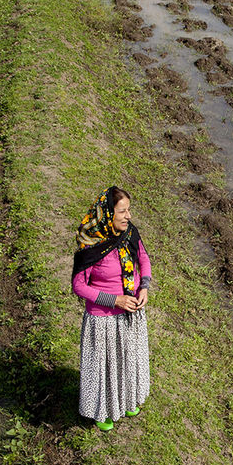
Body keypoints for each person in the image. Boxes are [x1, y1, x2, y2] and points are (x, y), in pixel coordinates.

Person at [71, 185, 151, 431]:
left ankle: (127, 400)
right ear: (108, 215)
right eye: (122, 212)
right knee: (105, 367)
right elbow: (78, 286)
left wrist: (144, 287)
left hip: (131, 313)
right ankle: (102, 411)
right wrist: (114, 300)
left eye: (129, 210)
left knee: (128, 360)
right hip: (103, 319)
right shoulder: (91, 246)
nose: (129, 216)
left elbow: (143, 259)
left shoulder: (129, 233)